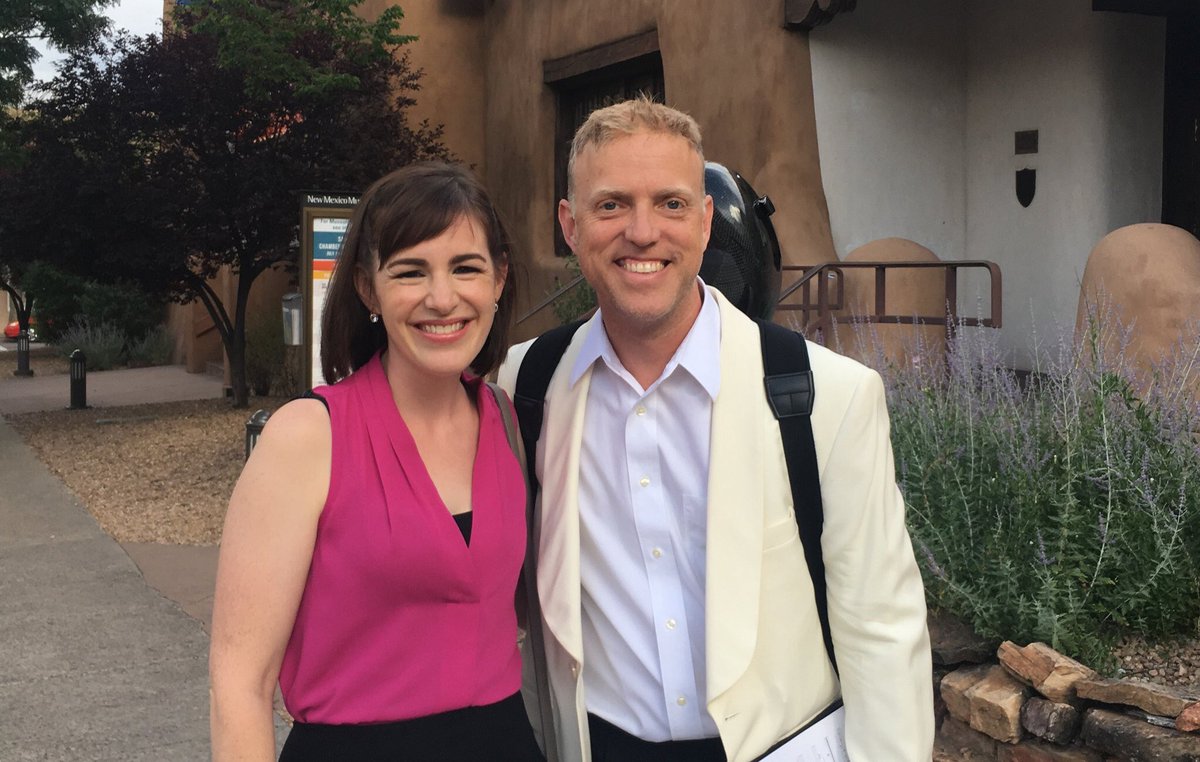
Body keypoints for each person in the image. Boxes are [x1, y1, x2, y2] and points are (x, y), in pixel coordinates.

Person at [498, 99, 933, 761]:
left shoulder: (828, 396)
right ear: (570, 224)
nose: (642, 232)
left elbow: (883, 630)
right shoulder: (527, 384)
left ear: (705, 223)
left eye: (670, 204)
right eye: (611, 204)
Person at [209, 162, 544, 761]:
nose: (442, 298)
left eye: (465, 268)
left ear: (498, 279)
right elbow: (240, 683)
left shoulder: (506, 420)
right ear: (368, 289)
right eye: (411, 271)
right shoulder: (308, 437)